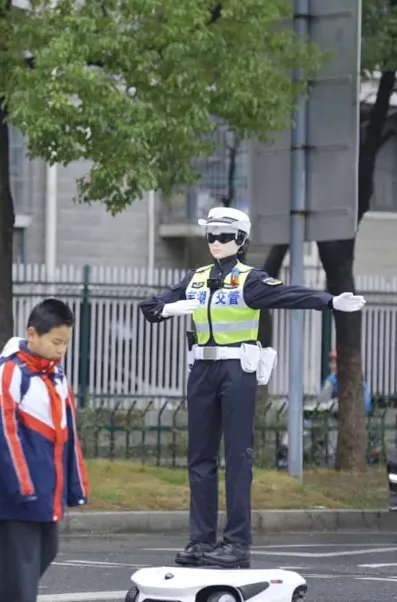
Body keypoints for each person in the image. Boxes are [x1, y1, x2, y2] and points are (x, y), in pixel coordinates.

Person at [138, 206, 367, 570]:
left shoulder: (250, 280)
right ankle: (201, 540)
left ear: (241, 240)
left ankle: (236, 542)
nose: (216, 242)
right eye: (211, 235)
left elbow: (290, 295)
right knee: (199, 457)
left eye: (224, 236)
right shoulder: (195, 278)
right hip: (200, 368)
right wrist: (170, 309)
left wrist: (330, 301)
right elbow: (149, 307)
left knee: (238, 458)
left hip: (236, 369)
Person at [0, 299, 89, 602]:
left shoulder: (56, 376)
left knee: (41, 557)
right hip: (14, 496)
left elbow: (69, 436)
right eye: (55, 341)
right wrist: (22, 486)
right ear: (32, 334)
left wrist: (73, 486)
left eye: (65, 342)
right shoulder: (8, 373)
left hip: (45, 493)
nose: (61, 349)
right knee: (21, 581)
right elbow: (4, 435)